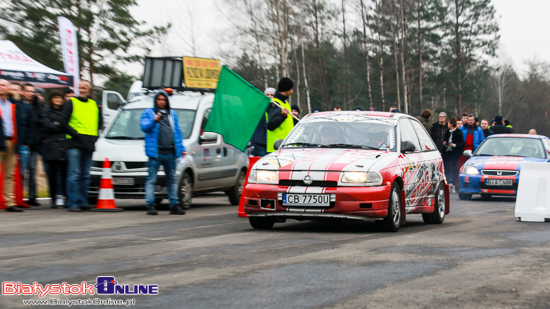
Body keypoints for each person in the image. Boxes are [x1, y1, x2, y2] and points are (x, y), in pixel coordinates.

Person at [140, 90, 186, 215]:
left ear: (167, 101)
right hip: (156, 152)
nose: (161, 102)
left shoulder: (172, 114)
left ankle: (174, 204)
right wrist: (154, 120)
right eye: (159, 99)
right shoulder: (148, 113)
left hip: (170, 152)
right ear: (155, 101)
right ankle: (150, 204)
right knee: (152, 179)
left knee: (172, 179)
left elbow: (177, 132)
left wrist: (182, 148)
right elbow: (144, 127)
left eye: (163, 99)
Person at [61, 80, 103, 212]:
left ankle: (83, 201)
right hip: (74, 143)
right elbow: (62, 122)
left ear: (90, 89)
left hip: (88, 144)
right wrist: (76, 134)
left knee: (85, 175)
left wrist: (94, 137)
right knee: (74, 174)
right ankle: (72, 202)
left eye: (85, 88)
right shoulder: (71, 102)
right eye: (80, 88)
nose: (82, 90)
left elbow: (99, 123)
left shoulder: (94, 105)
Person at [0, 79, 32, 212]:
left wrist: (19, 142)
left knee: (10, 174)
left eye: (3, 85)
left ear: (9, 89)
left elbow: (19, 125)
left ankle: (10, 202)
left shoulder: (14, 105)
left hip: (11, 141)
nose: (1, 87)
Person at [42, 91, 70, 209]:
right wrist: (60, 125)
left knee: (64, 173)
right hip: (52, 146)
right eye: (55, 97)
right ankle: (54, 197)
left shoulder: (65, 111)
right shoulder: (47, 111)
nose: (58, 100)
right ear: (51, 99)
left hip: (64, 144)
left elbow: (67, 126)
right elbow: (47, 126)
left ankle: (64, 196)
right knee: (52, 174)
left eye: (59, 97)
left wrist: (57, 124)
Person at [21, 83, 43, 206]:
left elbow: (40, 124)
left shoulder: (38, 105)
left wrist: (38, 139)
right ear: (23, 92)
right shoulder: (19, 104)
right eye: (28, 91)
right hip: (22, 143)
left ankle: (32, 196)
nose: (30, 93)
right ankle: (19, 196)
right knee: (22, 172)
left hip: (34, 143)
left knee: (32, 170)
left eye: (32, 91)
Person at [266, 77, 295, 153]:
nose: (292, 91)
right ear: (286, 89)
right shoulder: (275, 103)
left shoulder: (286, 104)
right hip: (276, 148)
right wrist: (283, 116)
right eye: (291, 89)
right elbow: (271, 125)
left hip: (286, 147)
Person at [250, 87, 274, 157]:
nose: (269, 96)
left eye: (272, 95)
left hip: (272, 144)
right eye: (267, 94)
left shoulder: (278, 109)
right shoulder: (258, 108)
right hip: (259, 143)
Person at [443, 117, 464, 194]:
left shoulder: (459, 132)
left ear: (451, 124)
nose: (447, 125)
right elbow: (444, 140)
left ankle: (454, 185)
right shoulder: (447, 132)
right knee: (447, 169)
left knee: (455, 169)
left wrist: (454, 145)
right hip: (447, 153)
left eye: (448, 123)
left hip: (455, 153)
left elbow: (462, 143)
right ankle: (448, 184)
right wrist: (445, 143)